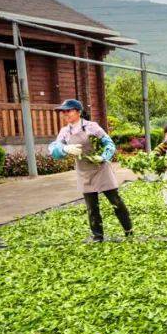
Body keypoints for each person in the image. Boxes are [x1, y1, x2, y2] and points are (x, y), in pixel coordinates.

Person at [47, 98, 133, 242]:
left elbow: (109, 143)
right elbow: (53, 150)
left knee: (115, 201)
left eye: (68, 110)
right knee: (92, 207)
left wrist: (103, 156)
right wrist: (64, 148)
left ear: (78, 112)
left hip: (101, 168)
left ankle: (128, 230)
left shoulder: (92, 127)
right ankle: (98, 236)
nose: (65, 114)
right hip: (84, 171)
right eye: (63, 111)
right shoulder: (64, 132)